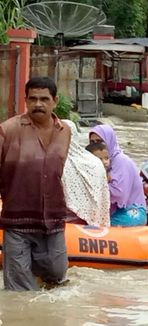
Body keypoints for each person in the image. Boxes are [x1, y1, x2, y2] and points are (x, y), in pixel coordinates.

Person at [0, 76, 70, 291]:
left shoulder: (65, 131)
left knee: (58, 275)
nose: (38, 104)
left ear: (55, 101)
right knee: (20, 291)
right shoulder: (7, 130)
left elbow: (57, 172)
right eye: (33, 99)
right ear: (26, 101)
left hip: (53, 219)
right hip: (17, 220)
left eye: (44, 99)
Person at [89, 125, 147, 227]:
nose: (96, 146)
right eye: (92, 142)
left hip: (131, 211)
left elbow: (119, 194)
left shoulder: (121, 161)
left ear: (109, 141)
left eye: (99, 141)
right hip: (114, 212)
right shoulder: (95, 163)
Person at [62, 120, 110, 227]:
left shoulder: (54, 162)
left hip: (65, 225)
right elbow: (102, 196)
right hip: (93, 221)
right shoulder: (95, 161)